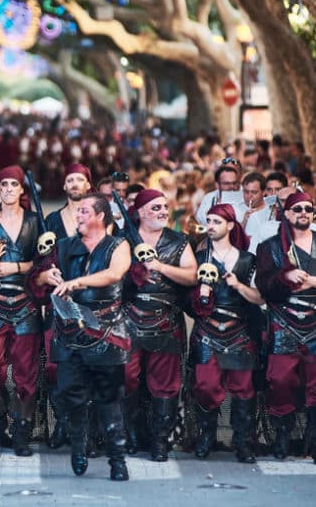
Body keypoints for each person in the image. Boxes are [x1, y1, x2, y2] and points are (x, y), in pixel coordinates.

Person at [30, 193, 131, 481]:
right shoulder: (63, 246)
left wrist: (78, 281)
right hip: (70, 332)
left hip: (106, 332)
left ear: (101, 216)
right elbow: (36, 276)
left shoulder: (118, 245)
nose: (79, 215)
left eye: (85, 211)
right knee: (72, 397)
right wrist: (45, 277)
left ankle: (117, 461)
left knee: (110, 399)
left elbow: (114, 274)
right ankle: (78, 448)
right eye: (79, 211)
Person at [255, 191, 316, 465]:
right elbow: (263, 285)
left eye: (308, 208)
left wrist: (311, 282)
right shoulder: (270, 246)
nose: (303, 213)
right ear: (285, 213)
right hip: (284, 321)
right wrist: (284, 275)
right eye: (297, 209)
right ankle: (282, 437)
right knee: (280, 381)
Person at [121, 188, 197, 461]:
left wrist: (161, 267)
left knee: (164, 385)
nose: (163, 211)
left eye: (165, 206)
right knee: (127, 379)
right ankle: (130, 433)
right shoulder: (123, 239)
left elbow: (192, 275)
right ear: (140, 212)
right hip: (127, 320)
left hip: (166, 321)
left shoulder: (178, 241)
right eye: (156, 208)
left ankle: (159, 440)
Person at [0, 166, 41, 456]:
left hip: (25, 302)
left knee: (26, 371)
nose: (9, 189)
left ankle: (22, 430)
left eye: (14, 184)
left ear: (22, 190)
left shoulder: (36, 222)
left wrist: (16, 267)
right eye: (4, 184)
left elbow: (45, 263)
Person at [189, 204, 262, 463]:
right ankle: (206, 436)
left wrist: (238, 285)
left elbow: (258, 297)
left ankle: (242, 442)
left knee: (243, 389)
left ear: (230, 225)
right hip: (207, 331)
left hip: (239, 332)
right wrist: (200, 295)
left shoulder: (247, 260)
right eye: (208, 221)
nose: (210, 225)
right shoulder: (198, 260)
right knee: (205, 386)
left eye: (216, 221)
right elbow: (186, 300)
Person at [42, 163, 92, 449]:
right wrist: (47, 272)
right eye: (70, 180)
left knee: (88, 366)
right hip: (58, 302)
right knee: (55, 366)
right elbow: (44, 255)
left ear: (88, 185)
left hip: (90, 301)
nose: (74, 184)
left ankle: (83, 429)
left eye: (79, 180)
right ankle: (61, 421)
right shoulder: (52, 220)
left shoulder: (99, 217)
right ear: (64, 186)